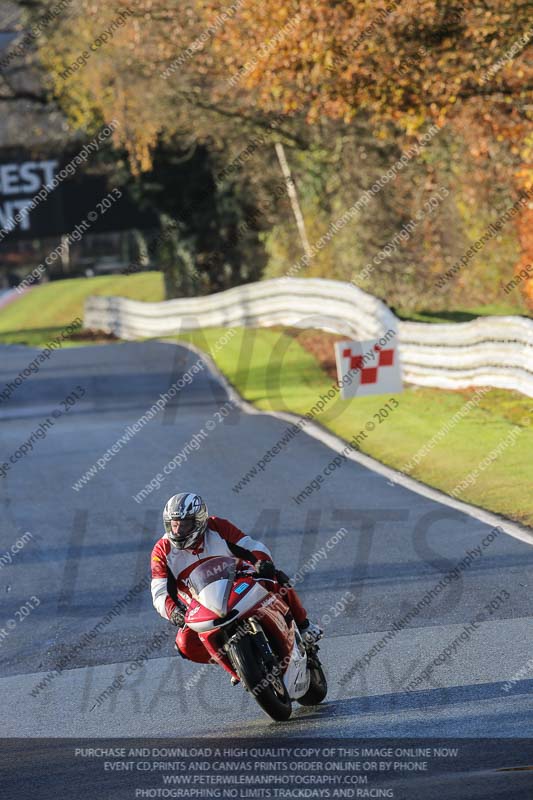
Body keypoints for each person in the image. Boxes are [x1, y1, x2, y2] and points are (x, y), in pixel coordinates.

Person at [150, 492, 323, 664]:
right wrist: (173, 612)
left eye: (185, 524)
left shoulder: (217, 526)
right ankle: (235, 661)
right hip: (201, 606)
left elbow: (249, 545)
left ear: (199, 521)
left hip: (238, 584)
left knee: (275, 578)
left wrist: (262, 562)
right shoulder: (161, 551)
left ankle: (304, 626)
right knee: (185, 644)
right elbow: (159, 591)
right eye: (174, 525)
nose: (178, 531)